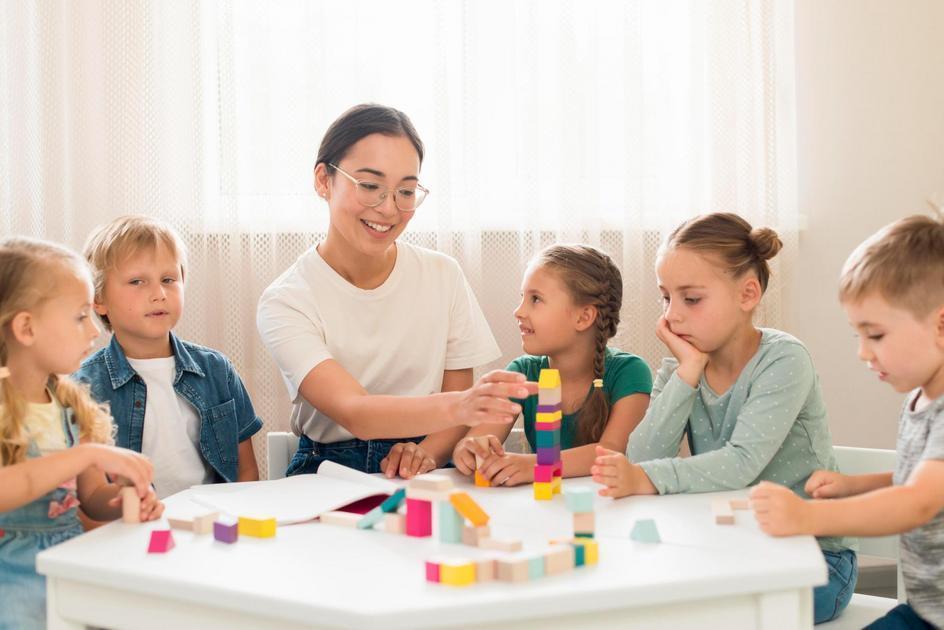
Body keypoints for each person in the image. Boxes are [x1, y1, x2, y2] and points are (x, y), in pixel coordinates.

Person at [592, 212, 856, 624]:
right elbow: (641, 456)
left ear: (747, 294)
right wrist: (688, 373)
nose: (671, 316)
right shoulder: (679, 368)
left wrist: (646, 479)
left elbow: (741, 463)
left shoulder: (784, 359)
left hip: (817, 559)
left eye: (691, 299)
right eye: (666, 298)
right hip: (732, 548)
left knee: (711, 617)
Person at [257, 103, 535, 478]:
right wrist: (465, 405)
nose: (388, 208)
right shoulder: (286, 299)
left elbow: (453, 402)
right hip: (327, 467)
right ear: (324, 180)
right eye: (370, 186)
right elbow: (355, 412)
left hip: (431, 457)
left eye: (406, 191)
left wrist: (427, 452)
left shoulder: (443, 275)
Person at [751, 213, 944, 629]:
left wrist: (807, 519)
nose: (862, 352)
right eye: (857, 335)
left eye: (874, 335)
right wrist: (854, 486)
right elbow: (921, 481)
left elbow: (919, 502)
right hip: (926, 610)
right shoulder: (920, 398)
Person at [0, 237, 161, 629]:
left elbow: (89, 498)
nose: (94, 330)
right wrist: (85, 456)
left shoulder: (70, 404)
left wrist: (124, 496)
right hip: (12, 573)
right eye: (79, 316)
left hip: (73, 559)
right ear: (26, 327)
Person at [76, 215, 261, 499]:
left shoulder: (216, 369)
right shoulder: (83, 386)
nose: (159, 293)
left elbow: (246, 471)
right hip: (131, 528)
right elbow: (86, 494)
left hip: (211, 523)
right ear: (98, 299)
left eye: (168, 279)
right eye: (137, 281)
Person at [452, 244, 652, 485]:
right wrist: (469, 450)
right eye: (522, 297)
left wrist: (536, 466)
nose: (518, 311)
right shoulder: (522, 373)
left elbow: (611, 451)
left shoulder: (629, 373)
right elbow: (480, 437)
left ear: (584, 317)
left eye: (535, 299)